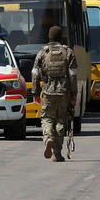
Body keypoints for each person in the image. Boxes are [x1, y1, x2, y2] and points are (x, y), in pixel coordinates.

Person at [31, 26, 78, 162]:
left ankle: (48, 138)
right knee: (61, 120)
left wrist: (35, 92)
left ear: (49, 37)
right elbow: (73, 75)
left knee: (47, 118)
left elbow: (35, 73)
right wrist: (74, 94)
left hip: (48, 91)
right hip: (64, 92)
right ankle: (57, 153)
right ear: (61, 37)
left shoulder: (43, 52)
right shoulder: (68, 52)